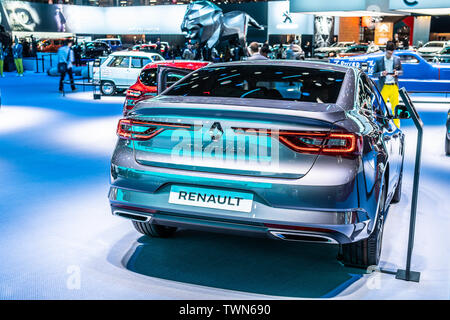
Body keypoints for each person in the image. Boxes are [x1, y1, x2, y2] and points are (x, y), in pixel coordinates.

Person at [373, 41, 403, 128]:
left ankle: (397, 126)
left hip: (394, 87)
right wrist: (382, 73)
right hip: (384, 87)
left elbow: (401, 71)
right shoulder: (379, 61)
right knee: (381, 108)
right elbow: (374, 74)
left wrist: (396, 72)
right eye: (389, 53)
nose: (390, 55)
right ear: (385, 50)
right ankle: (380, 126)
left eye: (392, 53)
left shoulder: (397, 59)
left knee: (396, 108)